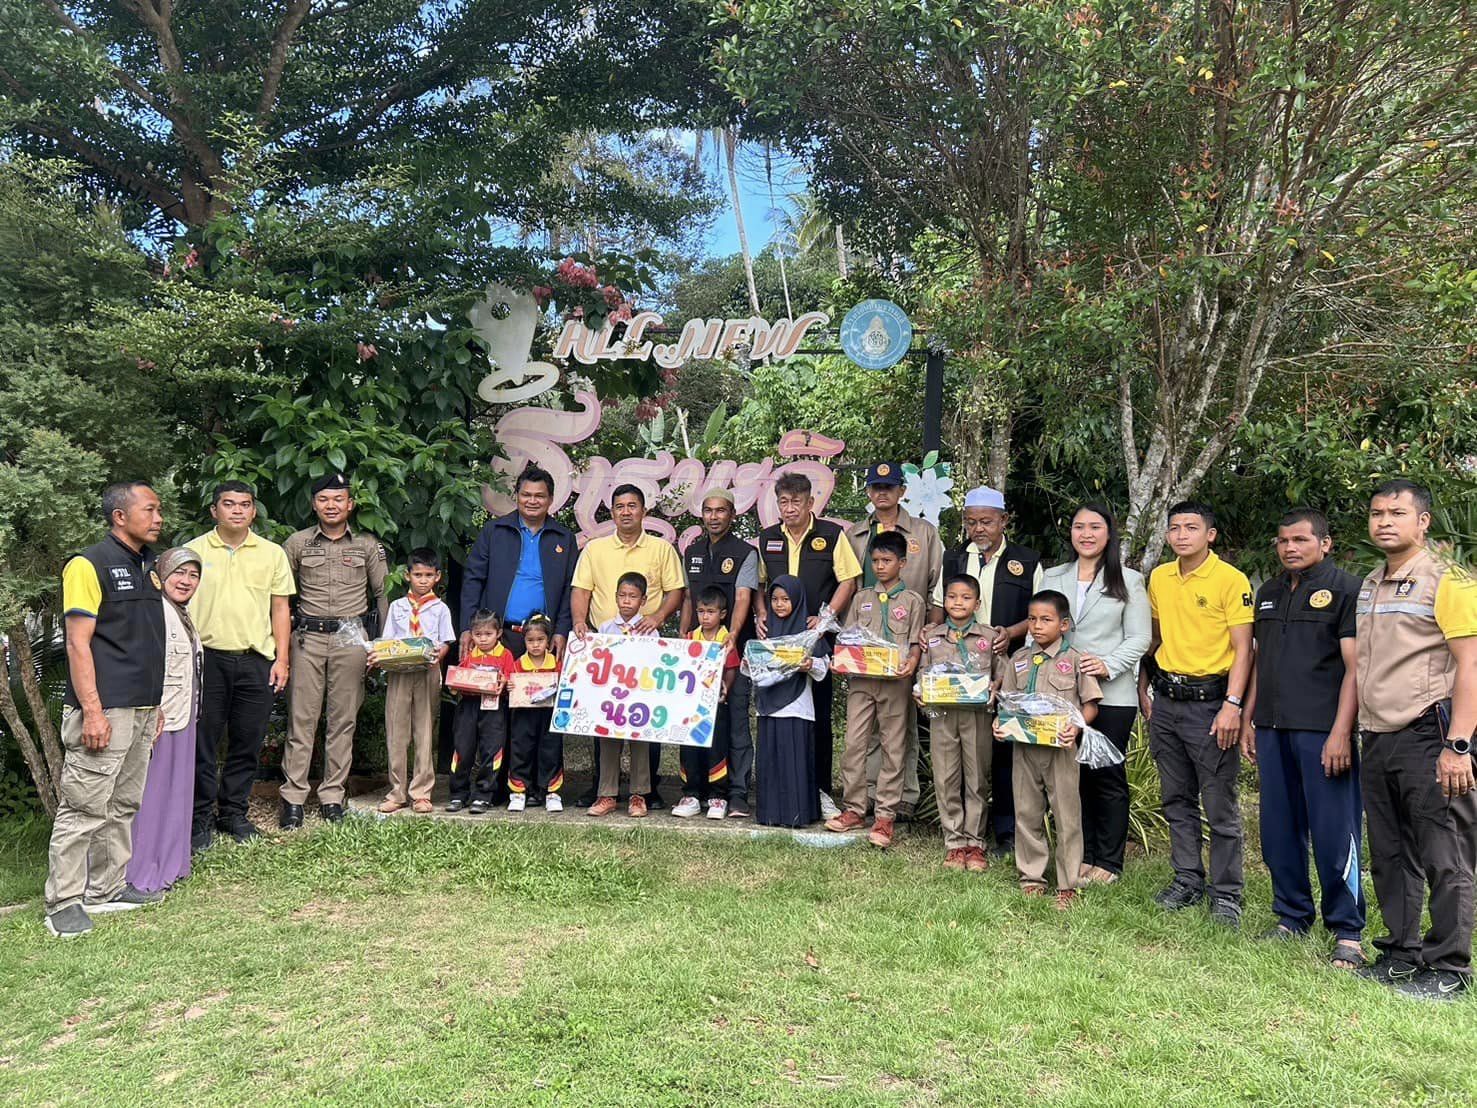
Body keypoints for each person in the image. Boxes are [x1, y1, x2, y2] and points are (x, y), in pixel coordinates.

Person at [1354, 479, 1477, 1000]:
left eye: (1397, 513)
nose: (1385, 521)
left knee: (1444, 854)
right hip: (1378, 735)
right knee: (1389, 852)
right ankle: (1401, 954)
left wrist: (1459, 745)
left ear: (1422, 522)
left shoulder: (1449, 579)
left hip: (1430, 734)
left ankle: (1449, 968)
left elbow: (1471, 663)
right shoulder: (1370, 583)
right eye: (1377, 513)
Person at [1239, 508, 1364, 969]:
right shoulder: (1269, 593)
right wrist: (1249, 718)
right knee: (1278, 830)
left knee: (1334, 832)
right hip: (1273, 729)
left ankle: (1347, 930)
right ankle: (1291, 915)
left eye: (1301, 540)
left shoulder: (1347, 590)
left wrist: (1341, 733)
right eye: (1283, 541)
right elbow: (1259, 661)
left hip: (1323, 732)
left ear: (1325, 544)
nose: (1290, 548)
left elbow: (1355, 669)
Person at [44, 482, 168, 939]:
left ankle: (107, 887)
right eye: (150, 510)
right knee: (84, 807)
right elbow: (78, 644)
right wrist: (92, 712)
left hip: (141, 706)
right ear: (120, 516)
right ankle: (63, 902)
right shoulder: (87, 564)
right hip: (105, 708)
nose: (159, 518)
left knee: (123, 803)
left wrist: (154, 706)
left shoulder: (148, 565)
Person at [1139, 501, 1254, 928]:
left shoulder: (1230, 580)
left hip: (1211, 705)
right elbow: (1154, 638)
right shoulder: (1160, 577)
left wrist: (1232, 706)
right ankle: (1187, 878)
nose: (1182, 535)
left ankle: (1227, 893)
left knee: (1219, 802)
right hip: (1167, 700)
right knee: (1176, 797)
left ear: (1210, 534)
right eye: (1175, 528)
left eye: (1191, 527)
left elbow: (1244, 650)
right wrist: (1142, 685)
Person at [1040, 503, 1151, 884]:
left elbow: (1140, 637)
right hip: (1063, 693)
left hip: (1112, 695)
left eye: (1095, 527)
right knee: (1074, 776)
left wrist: (1108, 664)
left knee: (1106, 775)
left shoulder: (1129, 580)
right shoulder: (1053, 575)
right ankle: (1082, 854)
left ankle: (1109, 861)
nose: (1086, 534)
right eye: (1078, 527)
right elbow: (1040, 627)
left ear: (1109, 533)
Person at [936, 485, 1043, 856]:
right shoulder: (953, 559)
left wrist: (1011, 633)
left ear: (1004, 520)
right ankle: (963, 830)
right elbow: (938, 605)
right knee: (966, 753)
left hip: (1008, 667)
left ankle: (1006, 831)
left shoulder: (1026, 561)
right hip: (960, 675)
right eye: (971, 522)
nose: (978, 529)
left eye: (986, 521)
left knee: (1006, 748)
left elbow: (1040, 614)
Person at [187, 481, 295, 849]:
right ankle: (200, 817)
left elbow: (280, 609)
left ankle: (233, 813)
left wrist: (282, 659)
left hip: (256, 661)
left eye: (245, 504)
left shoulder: (272, 553)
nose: (237, 510)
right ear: (214, 510)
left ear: (253, 511)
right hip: (207, 660)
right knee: (202, 742)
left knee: (248, 741)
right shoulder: (193, 551)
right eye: (229, 504)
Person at [280, 472, 389, 829]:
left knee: (343, 721)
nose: (331, 505)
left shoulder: (367, 546)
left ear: (350, 504)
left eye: (338, 499)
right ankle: (293, 798)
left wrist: (381, 645)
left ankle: (332, 796)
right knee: (302, 720)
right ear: (314, 504)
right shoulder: (296, 543)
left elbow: (383, 595)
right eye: (324, 499)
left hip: (351, 639)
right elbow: (280, 596)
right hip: (307, 639)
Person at [570, 484, 686, 808]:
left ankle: (645, 791)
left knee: (644, 720)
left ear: (643, 511)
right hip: (605, 646)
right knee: (605, 718)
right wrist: (580, 621)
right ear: (612, 512)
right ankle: (603, 789)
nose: (626, 512)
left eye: (632, 505)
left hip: (645, 648)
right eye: (619, 506)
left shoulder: (661, 549)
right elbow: (581, 590)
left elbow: (676, 591)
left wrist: (658, 617)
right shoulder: (595, 549)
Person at [755, 472, 862, 820]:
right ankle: (780, 790)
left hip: (816, 640)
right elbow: (760, 584)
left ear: (810, 503)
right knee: (776, 712)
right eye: (783, 502)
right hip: (778, 642)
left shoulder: (831, 535)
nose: (789, 509)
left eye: (796, 502)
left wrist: (827, 616)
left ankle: (820, 791)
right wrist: (761, 614)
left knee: (818, 715)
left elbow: (849, 579)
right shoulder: (768, 538)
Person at [847, 462, 944, 821]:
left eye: (889, 487)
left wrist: (929, 636)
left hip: (908, 640)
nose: (882, 493)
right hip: (866, 643)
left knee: (901, 727)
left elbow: (937, 588)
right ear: (869, 492)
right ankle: (867, 796)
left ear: (902, 491)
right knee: (863, 732)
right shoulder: (855, 535)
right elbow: (848, 583)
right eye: (876, 487)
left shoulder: (924, 532)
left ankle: (903, 797)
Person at [994, 591, 1102, 910]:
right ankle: (1031, 877)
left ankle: (1068, 883)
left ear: (1064, 625)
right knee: (1026, 812)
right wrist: (1000, 723)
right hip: (1025, 748)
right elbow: (1007, 703)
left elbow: (1091, 705)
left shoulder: (1077, 660)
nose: (1037, 626)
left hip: (1060, 750)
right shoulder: (1019, 659)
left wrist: (1076, 727)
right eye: (1032, 619)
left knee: (1067, 815)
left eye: (1046, 620)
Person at [826, 531, 925, 848]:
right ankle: (854, 808)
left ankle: (885, 816)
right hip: (862, 682)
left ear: (902, 563)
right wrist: (839, 660)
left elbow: (915, 644)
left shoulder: (913, 602)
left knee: (893, 748)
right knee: (854, 743)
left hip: (895, 684)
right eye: (876, 561)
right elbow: (848, 638)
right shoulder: (861, 598)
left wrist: (912, 663)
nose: (880, 566)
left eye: (887, 560)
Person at [125, 546, 204, 895]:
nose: (186, 581)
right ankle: (143, 870)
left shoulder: (180, 613)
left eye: (194, 575)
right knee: (152, 796)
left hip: (182, 717)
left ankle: (171, 863)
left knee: (175, 794)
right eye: (179, 573)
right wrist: (151, 707)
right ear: (161, 575)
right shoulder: (153, 610)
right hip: (159, 718)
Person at [680, 488, 760, 817]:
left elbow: (742, 598)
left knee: (736, 723)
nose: (714, 517)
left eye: (721, 510)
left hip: (731, 655)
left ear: (732, 515)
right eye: (708, 510)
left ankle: (737, 792)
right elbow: (688, 598)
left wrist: (734, 637)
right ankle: (695, 791)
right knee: (694, 722)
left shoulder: (745, 553)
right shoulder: (692, 552)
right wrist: (682, 638)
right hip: (696, 657)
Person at [915, 574, 994, 872]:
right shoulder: (933, 637)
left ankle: (975, 842)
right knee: (946, 777)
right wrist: (920, 692)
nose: (958, 602)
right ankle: (954, 842)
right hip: (943, 716)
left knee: (977, 779)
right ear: (944, 600)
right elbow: (923, 673)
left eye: (965, 597)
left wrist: (996, 687)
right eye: (951, 597)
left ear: (977, 603)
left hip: (977, 717)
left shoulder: (989, 638)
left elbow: (1002, 674)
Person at [461, 464, 577, 660]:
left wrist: (562, 630)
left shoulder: (564, 538)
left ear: (550, 499)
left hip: (542, 638)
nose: (532, 501)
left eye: (539, 496)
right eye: (526, 495)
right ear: (517, 496)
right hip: (495, 636)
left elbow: (569, 589)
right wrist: (467, 627)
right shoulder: (494, 531)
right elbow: (473, 580)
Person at [377, 549, 455, 815]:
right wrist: (382, 656)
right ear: (407, 575)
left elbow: (445, 642)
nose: (423, 580)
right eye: (418, 575)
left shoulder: (441, 608)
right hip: (399, 671)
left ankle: (421, 793)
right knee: (396, 731)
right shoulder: (398, 607)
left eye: (428, 575)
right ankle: (396, 792)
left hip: (427, 671)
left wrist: (435, 657)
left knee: (424, 730)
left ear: (438, 577)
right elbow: (388, 640)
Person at [754, 576, 830, 828]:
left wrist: (810, 664)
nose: (779, 604)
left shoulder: (809, 633)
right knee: (771, 761)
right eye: (774, 599)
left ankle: (797, 814)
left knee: (794, 761)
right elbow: (753, 665)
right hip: (768, 705)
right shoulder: (765, 630)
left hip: (797, 705)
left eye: (786, 599)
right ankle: (770, 814)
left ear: (797, 601)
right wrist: (750, 663)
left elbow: (824, 666)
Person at [588, 571, 660, 817]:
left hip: (639, 696)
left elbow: (655, 662)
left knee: (640, 743)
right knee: (608, 740)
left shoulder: (650, 630)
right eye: (622, 595)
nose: (626, 601)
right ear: (616, 597)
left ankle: (638, 795)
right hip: (612, 697)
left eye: (633, 596)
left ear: (643, 600)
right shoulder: (606, 627)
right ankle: (607, 794)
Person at [674, 586, 741, 820]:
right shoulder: (691, 637)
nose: (705, 617)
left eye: (710, 612)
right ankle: (691, 794)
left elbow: (731, 669)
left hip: (716, 704)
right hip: (691, 705)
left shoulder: (726, 639)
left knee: (716, 748)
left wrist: (726, 689)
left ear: (722, 614)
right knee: (689, 747)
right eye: (701, 611)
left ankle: (718, 796)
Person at [447, 609, 517, 814]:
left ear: (498, 633)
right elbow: (457, 679)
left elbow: (513, 681)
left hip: (494, 708)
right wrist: (454, 684)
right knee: (463, 750)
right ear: (471, 634)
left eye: (488, 634)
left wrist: (506, 682)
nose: (483, 639)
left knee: (491, 751)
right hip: (468, 706)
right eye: (478, 634)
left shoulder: (506, 655)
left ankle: (484, 795)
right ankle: (458, 794)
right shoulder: (469, 654)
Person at [507, 614, 563, 812]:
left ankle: (551, 792)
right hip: (523, 715)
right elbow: (508, 684)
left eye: (540, 639)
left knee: (550, 751)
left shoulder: (556, 663)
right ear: (524, 641)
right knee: (521, 750)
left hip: (548, 715)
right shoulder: (517, 664)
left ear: (548, 640)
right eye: (530, 640)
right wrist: (509, 686)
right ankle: (519, 791)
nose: (536, 644)